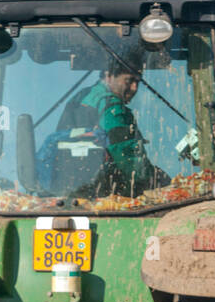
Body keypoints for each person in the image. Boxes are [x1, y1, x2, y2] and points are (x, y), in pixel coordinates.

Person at [57, 54, 169, 196]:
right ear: (108, 76)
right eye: (129, 81)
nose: (134, 88)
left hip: (74, 186)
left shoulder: (82, 96)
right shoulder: (111, 106)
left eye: (138, 82)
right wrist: (153, 179)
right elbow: (124, 151)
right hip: (106, 190)